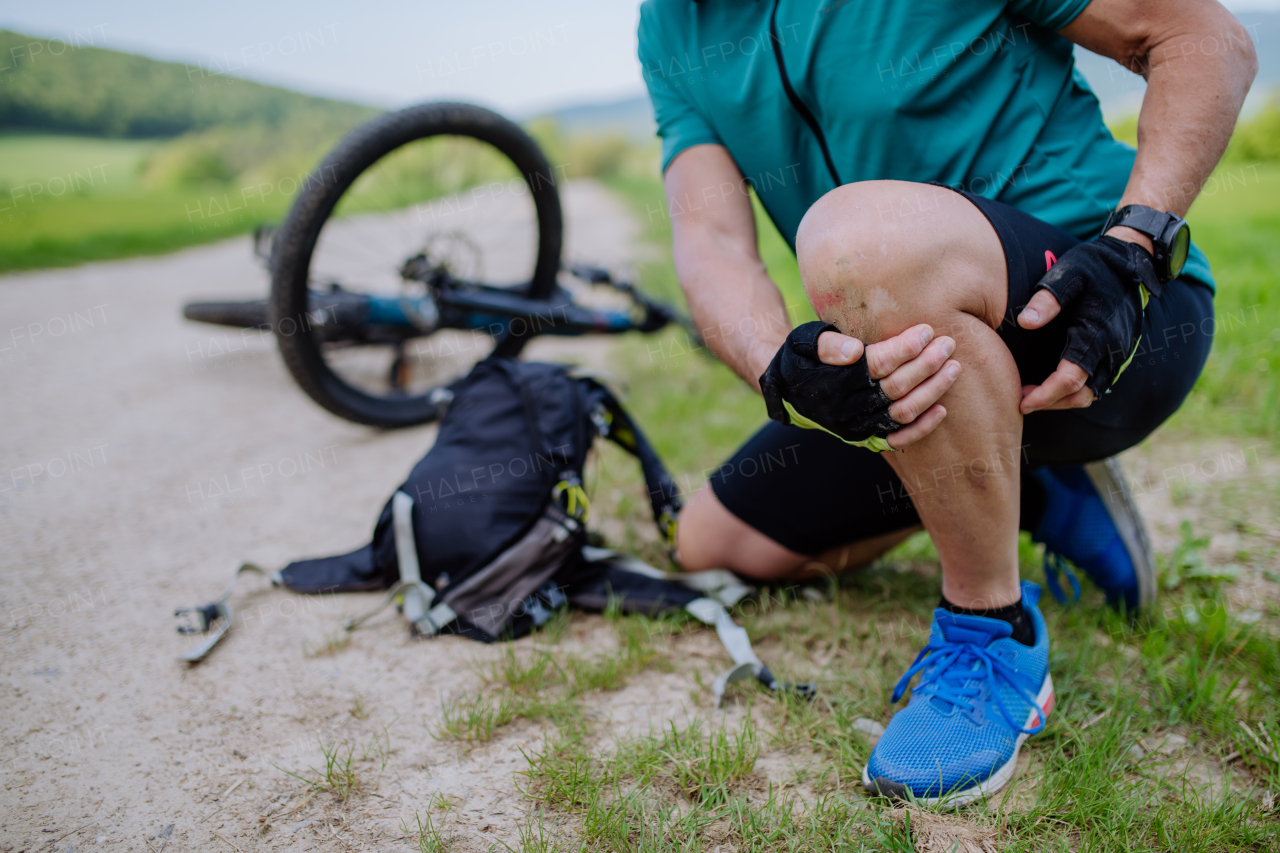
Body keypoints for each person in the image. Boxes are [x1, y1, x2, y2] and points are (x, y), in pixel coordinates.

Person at [637, 0, 1255, 804]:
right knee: (715, 542)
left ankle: (990, 633)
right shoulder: (671, 24)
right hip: (917, 365)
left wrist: (1133, 246)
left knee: (860, 240)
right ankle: (1029, 490)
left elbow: (1204, 39)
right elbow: (711, 239)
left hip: (1101, 311)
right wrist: (779, 370)